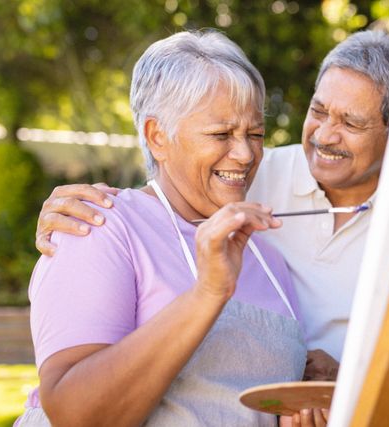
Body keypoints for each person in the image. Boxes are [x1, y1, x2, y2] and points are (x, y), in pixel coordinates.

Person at [34, 30, 389, 379]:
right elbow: (174, 188)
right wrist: (88, 216)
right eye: (319, 111)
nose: (325, 135)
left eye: (352, 123)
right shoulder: (245, 177)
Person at [17, 30, 307, 426]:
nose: (245, 154)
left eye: (255, 134)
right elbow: (74, 413)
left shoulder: (267, 259)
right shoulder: (100, 225)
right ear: (158, 137)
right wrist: (208, 293)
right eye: (221, 134)